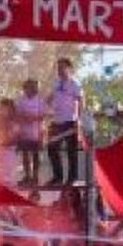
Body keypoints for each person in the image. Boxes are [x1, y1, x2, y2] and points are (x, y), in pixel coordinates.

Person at [47, 57, 84, 185]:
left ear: (69, 68)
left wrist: (78, 120)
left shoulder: (75, 84)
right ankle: (58, 177)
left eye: (62, 67)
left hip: (70, 121)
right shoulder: (56, 83)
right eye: (58, 68)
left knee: (71, 151)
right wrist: (44, 106)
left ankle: (72, 178)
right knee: (51, 147)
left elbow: (81, 101)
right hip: (57, 122)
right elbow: (50, 98)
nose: (60, 70)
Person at [14, 79, 47, 187]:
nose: (31, 89)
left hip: (37, 131)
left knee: (36, 154)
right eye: (28, 87)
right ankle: (27, 176)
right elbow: (17, 115)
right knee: (25, 154)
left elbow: (43, 115)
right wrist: (25, 117)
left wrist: (34, 118)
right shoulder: (21, 101)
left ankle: (35, 177)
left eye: (33, 87)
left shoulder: (40, 101)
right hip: (24, 132)